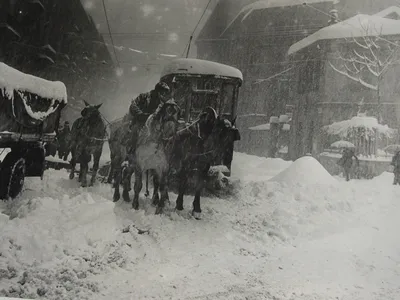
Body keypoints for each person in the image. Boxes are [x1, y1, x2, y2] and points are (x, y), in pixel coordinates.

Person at [124, 81, 171, 152]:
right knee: (135, 133)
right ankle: (131, 154)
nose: (163, 94)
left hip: (153, 125)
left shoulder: (162, 103)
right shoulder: (144, 96)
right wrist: (141, 114)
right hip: (139, 122)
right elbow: (133, 106)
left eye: (164, 93)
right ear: (157, 91)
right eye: (162, 92)